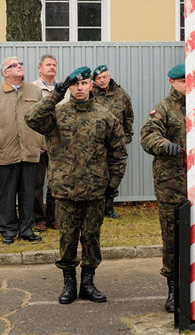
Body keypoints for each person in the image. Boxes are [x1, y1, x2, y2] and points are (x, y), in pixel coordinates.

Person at [25, 66, 127, 305]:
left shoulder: (105, 115)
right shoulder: (57, 114)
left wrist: (112, 187)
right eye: (74, 85)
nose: (79, 88)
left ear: (91, 85)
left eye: (83, 84)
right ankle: (69, 284)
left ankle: (88, 283)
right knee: (68, 239)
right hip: (65, 190)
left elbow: (118, 153)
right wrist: (55, 95)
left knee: (91, 238)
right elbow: (31, 118)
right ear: (69, 87)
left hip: (95, 190)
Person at [140, 63, 195, 313]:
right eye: (183, 82)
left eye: (191, 82)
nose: (188, 86)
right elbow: (148, 136)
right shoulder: (163, 109)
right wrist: (163, 144)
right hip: (172, 187)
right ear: (172, 82)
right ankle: (174, 289)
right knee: (173, 240)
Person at [0, 57, 43, 245]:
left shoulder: (34, 90)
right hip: (5, 150)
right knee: (6, 194)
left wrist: (42, 143)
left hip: (30, 149)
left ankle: (26, 229)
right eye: (13, 65)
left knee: (28, 193)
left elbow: (43, 118)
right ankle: (8, 230)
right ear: (5, 73)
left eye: (20, 64)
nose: (19, 67)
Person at [91, 64, 134, 219]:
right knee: (98, 173)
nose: (102, 81)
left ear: (109, 77)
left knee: (116, 172)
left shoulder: (121, 94)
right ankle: (97, 207)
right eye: (99, 78)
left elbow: (128, 115)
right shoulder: (90, 94)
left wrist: (128, 134)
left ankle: (109, 206)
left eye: (104, 77)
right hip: (97, 143)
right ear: (94, 81)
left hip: (117, 142)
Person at [32, 54, 62, 231]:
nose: (52, 67)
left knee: (56, 183)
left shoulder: (61, 89)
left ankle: (53, 218)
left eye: (54, 65)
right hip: (39, 145)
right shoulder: (32, 89)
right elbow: (29, 118)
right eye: (48, 65)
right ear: (39, 68)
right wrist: (36, 143)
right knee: (36, 183)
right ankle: (38, 219)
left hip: (58, 145)